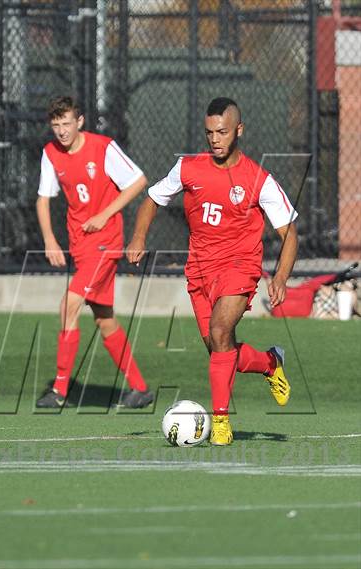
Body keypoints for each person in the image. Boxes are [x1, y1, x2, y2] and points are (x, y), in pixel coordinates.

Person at [127, 97, 298, 444]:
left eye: (222, 132)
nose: (215, 139)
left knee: (221, 332)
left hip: (240, 266)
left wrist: (279, 277)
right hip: (200, 270)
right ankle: (269, 362)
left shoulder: (258, 179)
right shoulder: (188, 168)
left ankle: (220, 422)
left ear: (239, 130)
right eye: (209, 133)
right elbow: (152, 199)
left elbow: (289, 233)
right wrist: (138, 237)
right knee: (219, 348)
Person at [36, 96, 154, 409]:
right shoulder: (51, 153)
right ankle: (140, 389)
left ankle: (60, 390)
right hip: (81, 245)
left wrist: (105, 214)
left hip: (106, 242)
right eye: (56, 125)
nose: (61, 131)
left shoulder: (103, 148)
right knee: (104, 320)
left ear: (80, 122)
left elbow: (138, 181)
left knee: (68, 306)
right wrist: (50, 239)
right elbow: (43, 199)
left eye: (67, 123)